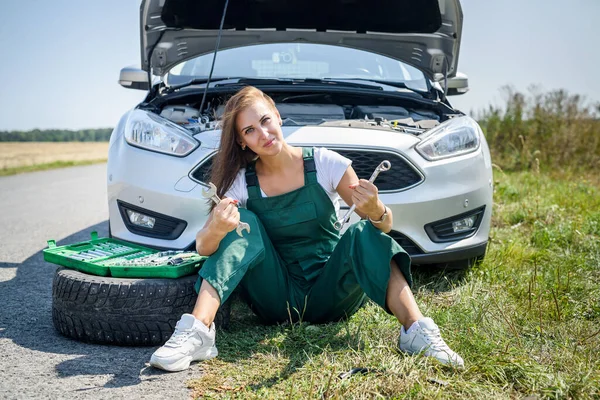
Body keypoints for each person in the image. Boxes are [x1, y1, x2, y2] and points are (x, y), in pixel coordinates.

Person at [149, 86, 464, 372]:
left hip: (332, 291)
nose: (263, 133)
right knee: (247, 224)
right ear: (242, 141)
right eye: (249, 130)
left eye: (265, 120)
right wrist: (218, 227)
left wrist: (375, 210)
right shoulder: (240, 183)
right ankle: (197, 332)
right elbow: (204, 246)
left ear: (278, 115)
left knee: (363, 232)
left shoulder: (328, 163)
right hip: (275, 297)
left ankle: (416, 331)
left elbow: (384, 226)